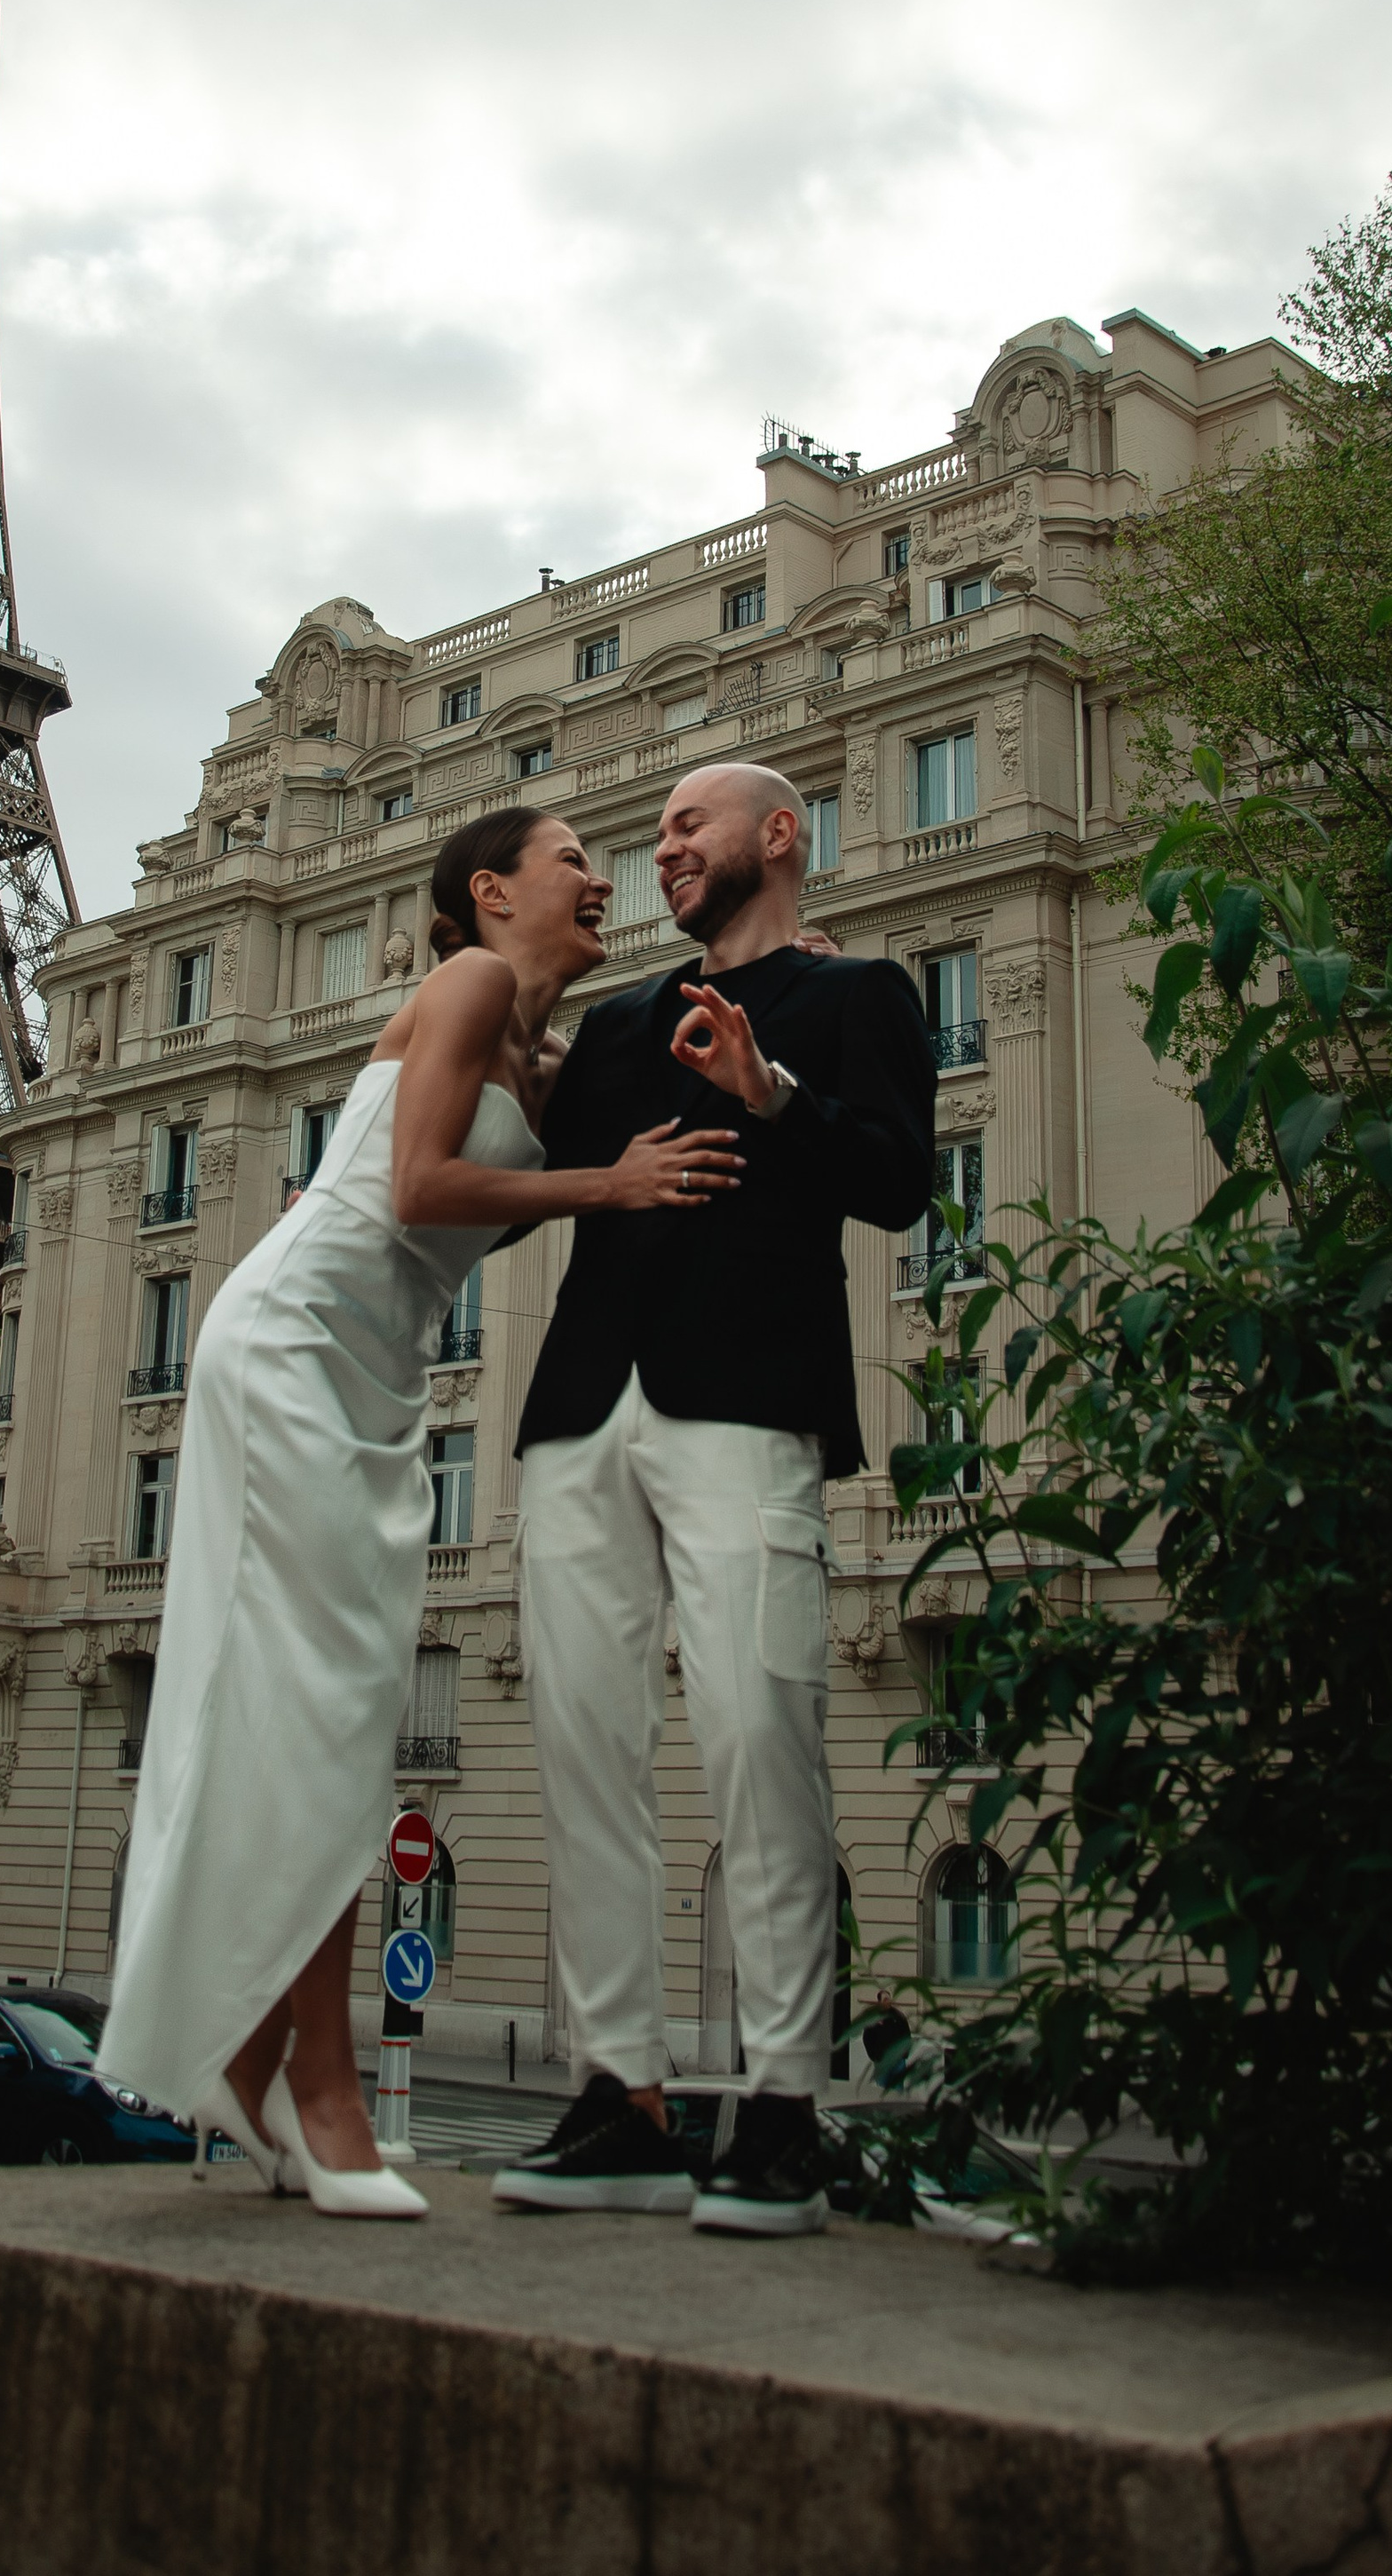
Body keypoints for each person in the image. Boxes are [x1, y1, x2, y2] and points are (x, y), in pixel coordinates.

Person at [94, 805, 747, 2218]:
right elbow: (416, 1187)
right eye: (569, 857)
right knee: (326, 1714)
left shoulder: (541, 1055)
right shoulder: (465, 985)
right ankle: (319, 2086)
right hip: (294, 1353)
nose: (598, 876)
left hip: (376, 1380)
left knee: (332, 1713)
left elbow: (515, 1168)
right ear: (490, 891)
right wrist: (611, 1185)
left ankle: (249, 2059)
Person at [493, 761, 936, 2238]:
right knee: (584, 1755)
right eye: (660, 831)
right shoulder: (624, 1020)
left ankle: (785, 2108)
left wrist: (771, 1092)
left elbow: (898, 1183)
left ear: (781, 835)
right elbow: (533, 1166)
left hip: (748, 1402)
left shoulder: (859, 994)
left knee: (762, 1742)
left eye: (693, 822)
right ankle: (620, 2096)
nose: (666, 844)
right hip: (579, 1411)